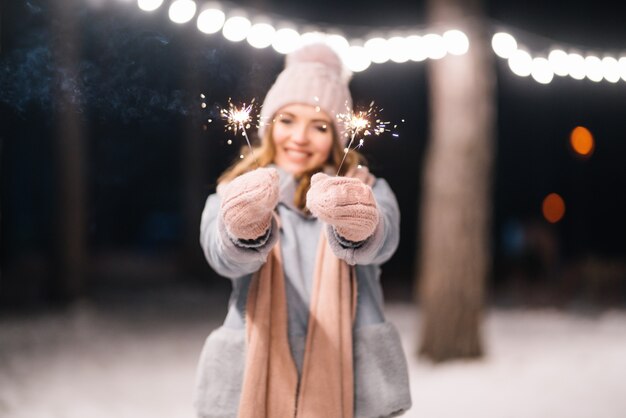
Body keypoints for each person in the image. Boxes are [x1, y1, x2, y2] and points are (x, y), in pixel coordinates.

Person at [193, 42, 411, 418]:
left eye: (320, 125)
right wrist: (242, 227)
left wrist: (358, 222)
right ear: (268, 125)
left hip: (352, 368)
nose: (299, 137)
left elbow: (384, 241)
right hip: (255, 363)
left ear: (339, 135)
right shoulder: (234, 191)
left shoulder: (366, 188)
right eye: (287, 120)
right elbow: (221, 256)